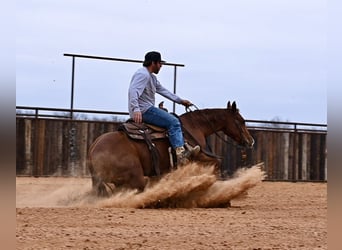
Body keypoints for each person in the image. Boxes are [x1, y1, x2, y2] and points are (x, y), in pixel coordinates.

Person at [128, 51, 200, 165]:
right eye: (160, 63)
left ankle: (183, 146)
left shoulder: (151, 77)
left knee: (172, 120)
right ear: (153, 63)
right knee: (174, 122)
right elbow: (133, 91)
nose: (161, 66)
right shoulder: (143, 74)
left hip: (144, 109)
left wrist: (180, 101)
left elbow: (163, 91)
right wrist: (136, 109)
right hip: (145, 110)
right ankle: (181, 154)